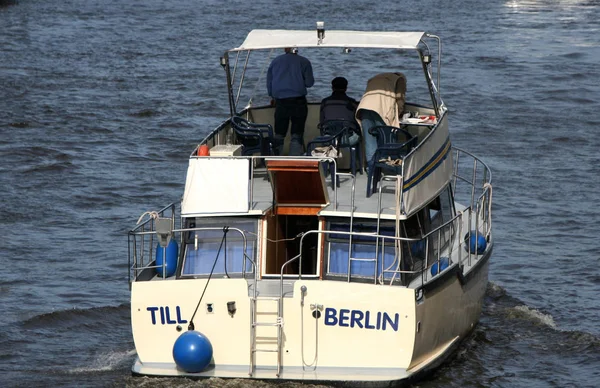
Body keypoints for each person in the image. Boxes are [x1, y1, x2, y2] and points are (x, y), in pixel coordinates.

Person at [355, 72, 407, 173]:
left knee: (370, 142)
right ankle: (389, 170)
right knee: (387, 140)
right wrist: (400, 114)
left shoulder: (376, 77)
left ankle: (372, 171)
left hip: (364, 107)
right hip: (380, 109)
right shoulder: (400, 79)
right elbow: (400, 100)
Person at [266, 48, 314, 156]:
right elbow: (309, 83)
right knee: (296, 134)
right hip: (298, 102)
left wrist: (273, 97)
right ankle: (294, 159)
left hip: (281, 102)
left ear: (285, 49)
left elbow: (270, 83)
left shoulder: (275, 61)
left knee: (279, 134)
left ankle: (277, 159)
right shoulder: (304, 61)